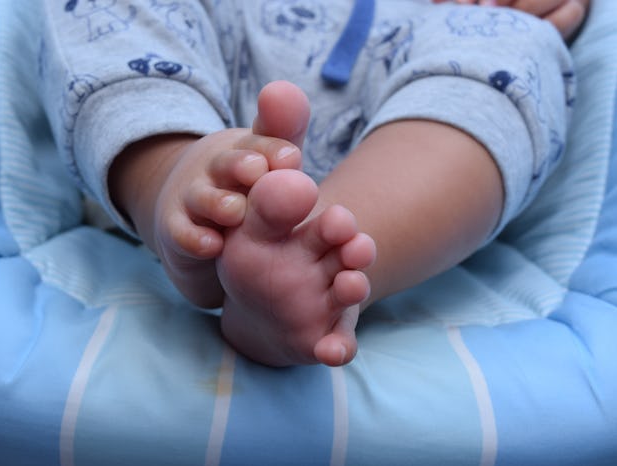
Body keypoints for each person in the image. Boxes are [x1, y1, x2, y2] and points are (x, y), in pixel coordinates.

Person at [39, 0, 588, 367]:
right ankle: (173, 186)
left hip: (427, 37)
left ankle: (318, 265)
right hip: (212, 38)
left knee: (513, 47)